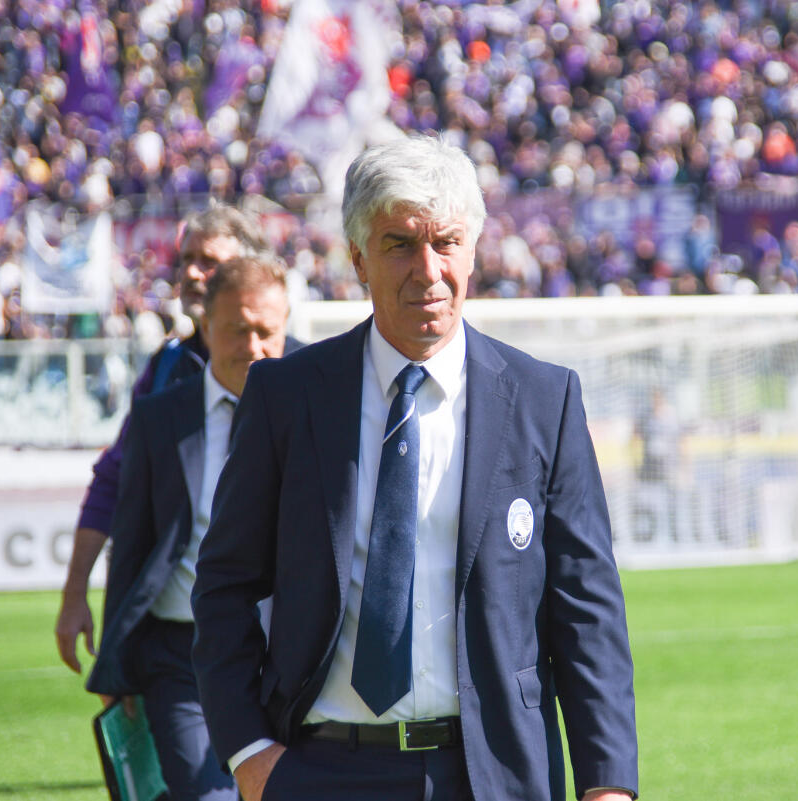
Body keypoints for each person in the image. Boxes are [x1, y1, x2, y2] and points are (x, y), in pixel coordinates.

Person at [191, 135, 638, 801]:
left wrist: (606, 782)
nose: (428, 269)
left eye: (447, 242)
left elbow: (586, 606)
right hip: (320, 770)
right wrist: (252, 753)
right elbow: (224, 584)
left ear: (474, 251)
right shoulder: (287, 396)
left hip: (494, 775)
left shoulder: (545, 399)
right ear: (358, 258)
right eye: (400, 243)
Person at [54, 203, 303, 673]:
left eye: (208, 261)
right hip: (179, 641)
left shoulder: (304, 371)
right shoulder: (167, 368)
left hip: (280, 635)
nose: (191, 273)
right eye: (185, 259)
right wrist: (75, 594)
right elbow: (114, 482)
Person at [85, 255, 291, 800]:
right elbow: (131, 546)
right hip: (181, 657)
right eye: (237, 330)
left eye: (267, 331)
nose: (253, 346)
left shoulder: (318, 412)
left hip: (288, 654)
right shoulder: (159, 419)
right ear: (205, 327)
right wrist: (115, 666)